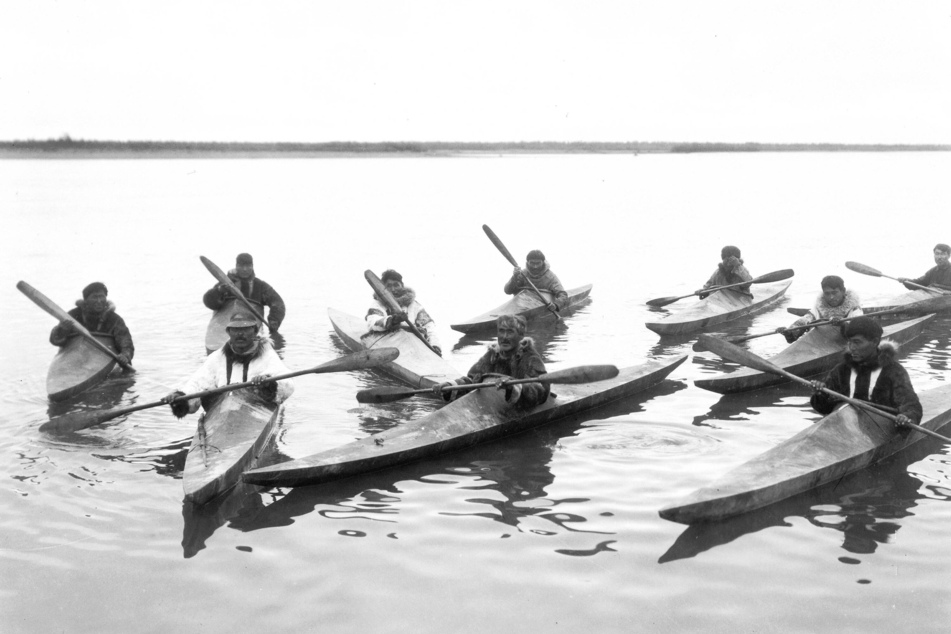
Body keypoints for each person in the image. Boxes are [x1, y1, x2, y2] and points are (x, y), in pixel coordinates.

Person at [162, 312, 294, 417]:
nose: (240, 334)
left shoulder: (267, 355)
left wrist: (269, 382)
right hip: (221, 413)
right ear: (228, 332)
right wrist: (180, 398)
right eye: (235, 330)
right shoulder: (216, 358)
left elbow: (287, 384)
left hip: (256, 412)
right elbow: (198, 383)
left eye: (245, 329)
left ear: (255, 331)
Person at [809, 316, 921, 429]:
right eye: (850, 342)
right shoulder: (841, 370)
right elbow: (823, 408)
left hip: (878, 429)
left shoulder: (894, 371)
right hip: (843, 426)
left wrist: (906, 416)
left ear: (875, 342)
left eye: (857, 342)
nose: (852, 348)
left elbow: (911, 405)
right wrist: (820, 393)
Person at [432, 314, 548, 407]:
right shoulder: (492, 355)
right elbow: (473, 379)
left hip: (518, 408)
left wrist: (513, 387)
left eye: (510, 332)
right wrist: (450, 386)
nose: (504, 337)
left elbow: (541, 391)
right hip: (493, 406)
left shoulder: (530, 357)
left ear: (521, 336)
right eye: (501, 331)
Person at [49, 281, 134, 368]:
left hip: (103, 357)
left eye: (101, 296)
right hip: (75, 357)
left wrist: (125, 355)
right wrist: (63, 331)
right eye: (94, 297)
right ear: (86, 300)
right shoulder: (73, 315)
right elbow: (55, 340)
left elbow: (126, 343)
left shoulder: (115, 319)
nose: (99, 301)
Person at [366, 269, 442, 356]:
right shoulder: (378, 303)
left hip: (413, 345)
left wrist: (435, 345)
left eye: (396, 285)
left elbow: (429, 327)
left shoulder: (414, 305)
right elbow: (372, 322)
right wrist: (393, 320)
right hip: (388, 342)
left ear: (402, 286)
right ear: (384, 288)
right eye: (389, 286)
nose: (393, 289)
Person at [203, 253, 286, 332]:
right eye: (241, 266)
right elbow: (209, 302)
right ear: (236, 266)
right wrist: (218, 291)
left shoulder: (260, 286)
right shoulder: (224, 285)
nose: (245, 269)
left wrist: (274, 321)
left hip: (251, 326)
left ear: (252, 266)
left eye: (248, 266)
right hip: (227, 325)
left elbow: (278, 303)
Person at [777, 275, 863, 343]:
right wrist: (789, 331)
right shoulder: (818, 308)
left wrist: (842, 324)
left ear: (843, 291)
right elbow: (804, 320)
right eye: (827, 293)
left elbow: (857, 331)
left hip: (841, 343)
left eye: (835, 292)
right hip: (819, 345)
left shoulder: (855, 309)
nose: (831, 297)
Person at [504, 249, 569, 311]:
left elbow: (563, 295)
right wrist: (514, 277)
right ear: (527, 262)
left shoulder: (550, 277)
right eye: (532, 263)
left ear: (543, 262)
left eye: (538, 263)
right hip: (520, 307)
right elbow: (508, 291)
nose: (535, 266)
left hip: (540, 308)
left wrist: (556, 305)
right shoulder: (522, 274)